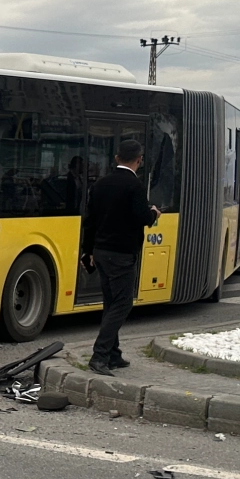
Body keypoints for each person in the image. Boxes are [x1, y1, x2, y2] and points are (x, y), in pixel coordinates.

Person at [80, 138, 160, 376]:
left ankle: (113, 354)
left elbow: (90, 221)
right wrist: (154, 213)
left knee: (110, 302)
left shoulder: (100, 184)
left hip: (101, 252)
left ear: (116, 158)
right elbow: (142, 217)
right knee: (123, 303)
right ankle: (100, 355)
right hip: (122, 254)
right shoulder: (135, 186)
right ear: (139, 160)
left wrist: (88, 251)